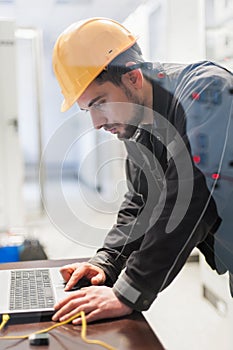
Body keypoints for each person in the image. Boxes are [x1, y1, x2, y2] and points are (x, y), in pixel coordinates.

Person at [51, 17, 233, 324]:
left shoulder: (207, 91)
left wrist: (130, 291)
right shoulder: (138, 124)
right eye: (88, 111)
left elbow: (194, 195)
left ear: (133, 77)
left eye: (100, 103)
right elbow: (141, 200)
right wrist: (107, 262)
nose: (96, 123)